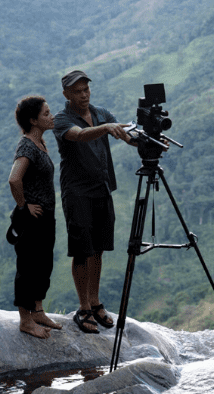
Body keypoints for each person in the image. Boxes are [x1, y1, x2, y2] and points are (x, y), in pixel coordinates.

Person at [53, 70, 134, 334]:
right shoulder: (62, 120)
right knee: (81, 249)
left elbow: (124, 134)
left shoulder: (100, 113)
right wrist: (106, 128)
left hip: (101, 187)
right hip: (77, 192)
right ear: (66, 94)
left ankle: (96, 302)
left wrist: (147, 139)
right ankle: (83, 307)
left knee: (98, 248)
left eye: (86, 89)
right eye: (78, 91)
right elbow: (78, 135)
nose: (84, 95)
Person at [8, 96, 63, 339]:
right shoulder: (28, 146)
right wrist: (24, 206)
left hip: (45, 216)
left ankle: (38, 310)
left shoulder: (39, 142)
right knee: (28, 267)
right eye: (46, 114)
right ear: (33, 120)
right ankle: (25, 320)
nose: (51, 117)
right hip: (32, 219)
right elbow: (14, 178)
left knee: (43, 264)